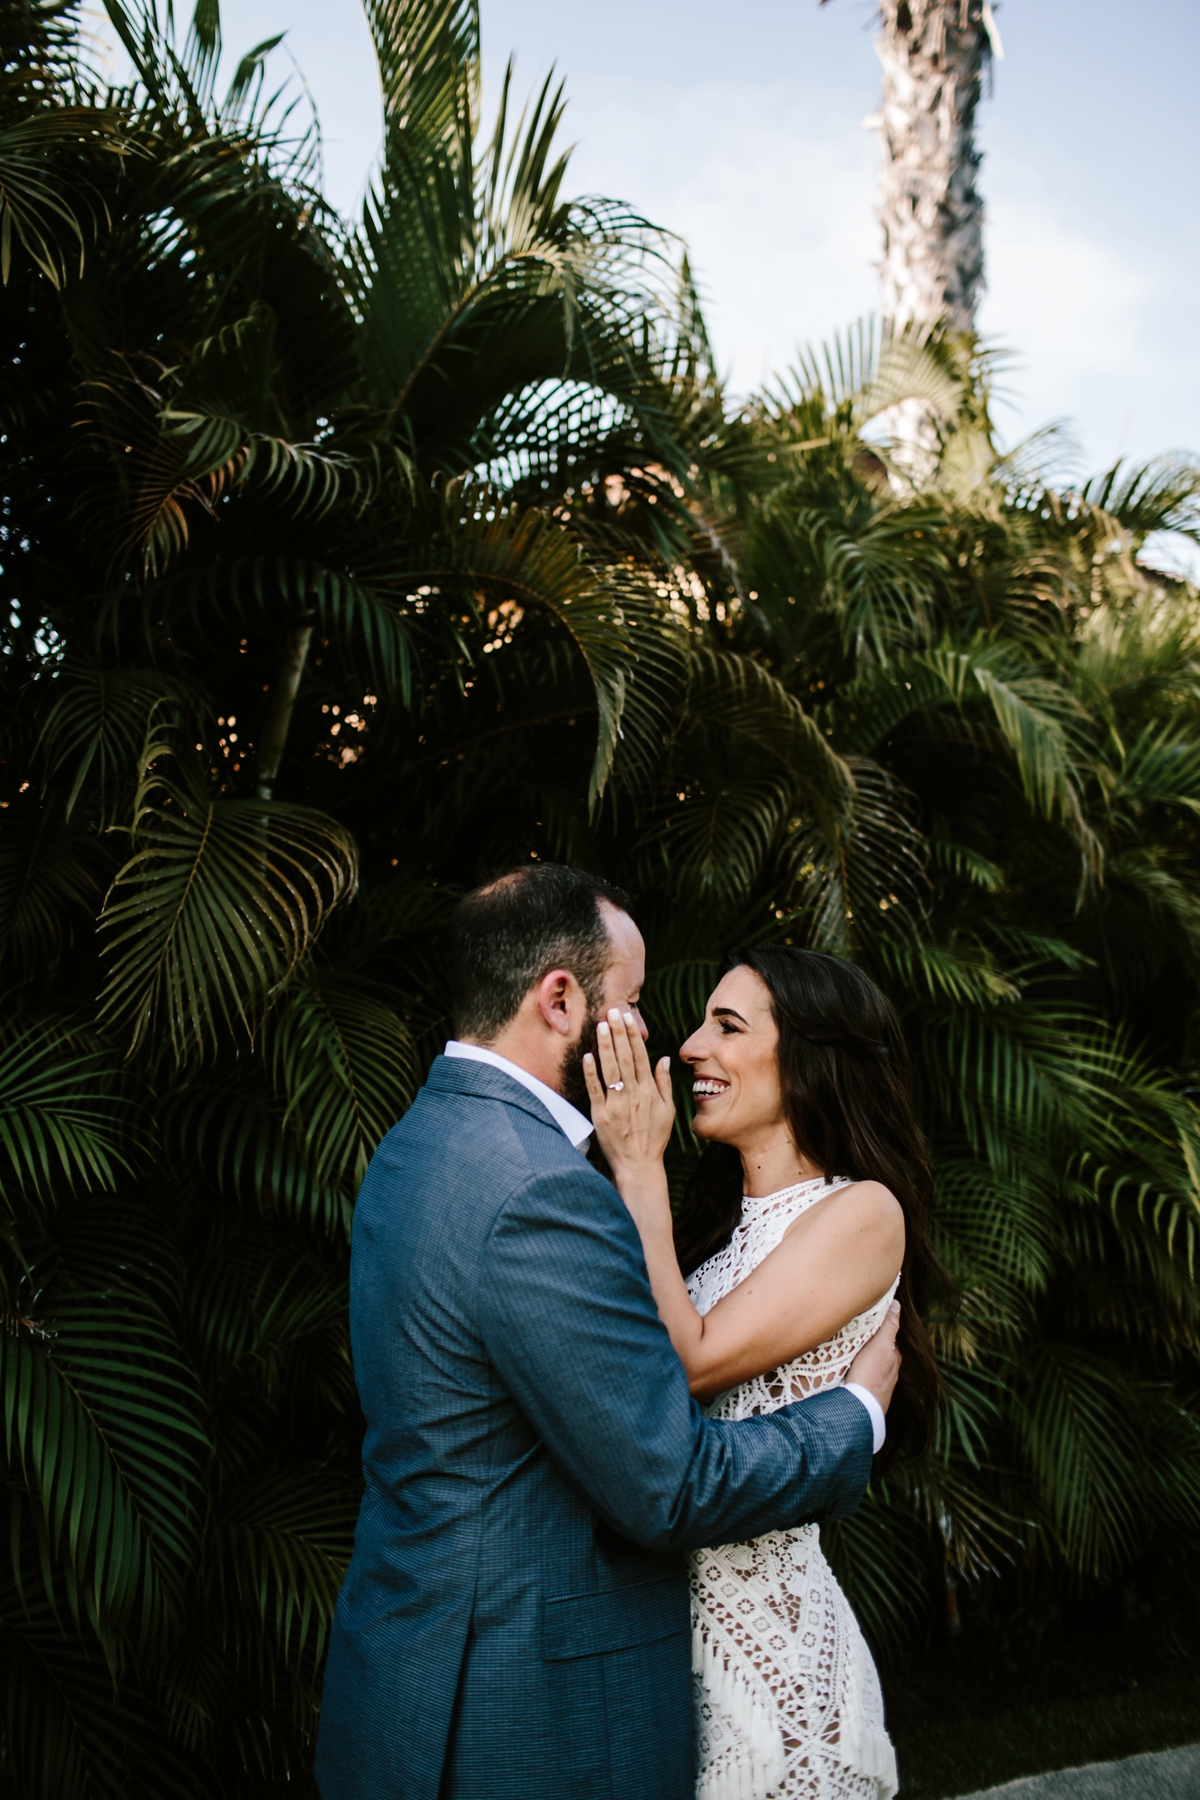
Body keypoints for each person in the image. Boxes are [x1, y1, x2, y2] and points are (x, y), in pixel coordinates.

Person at [314, 865, 901, 1800]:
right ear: (560, 999)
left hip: (420, 1659)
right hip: (521, 1699)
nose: (665, 1036)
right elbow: (667, 1482)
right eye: (629, 1002)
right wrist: (855, 1419)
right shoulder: (540, 1187)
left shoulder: (415, 1144)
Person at [583, 945, 944, 1800]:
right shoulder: (712, 1240)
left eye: (728, 1025)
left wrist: (638, 1164)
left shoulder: (861, 1211)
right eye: (702, 1020)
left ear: (809, 1056)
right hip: (674, 1670)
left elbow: (687, 1362)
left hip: (780, 1681)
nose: (692, 1047)